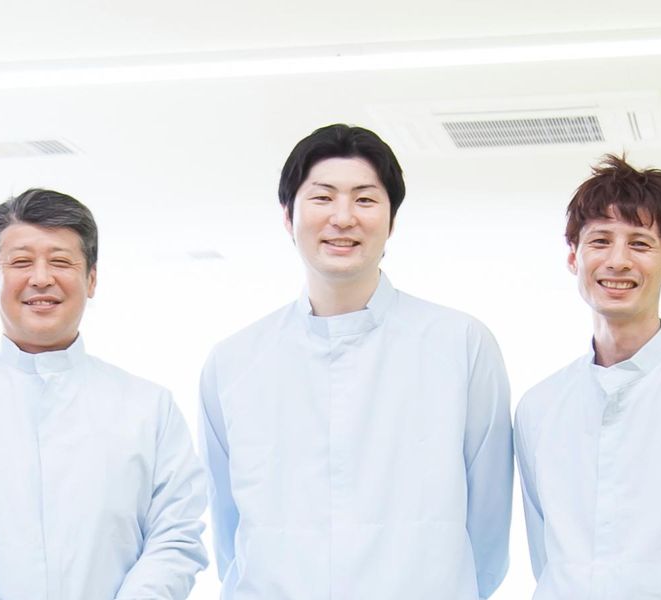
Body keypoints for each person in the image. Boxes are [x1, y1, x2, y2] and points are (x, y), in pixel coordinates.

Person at [199, 124, 512, 600]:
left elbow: (488, 527)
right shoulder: (235, 362)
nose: (343, 218)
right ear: (288, 216)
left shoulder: (460, 344)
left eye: (365, 199)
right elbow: (229, 531)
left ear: (392, 220)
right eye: (322, 198)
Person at [0, 189, 208, 599]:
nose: (41, 278)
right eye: (21, 262)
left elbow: (175, 535)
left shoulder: (149, 408)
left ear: (91, 279)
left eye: (60, 261)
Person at [515, 155, 661, 599]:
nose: (617, 261)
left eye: (640, 244)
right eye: (600, 240)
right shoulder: (540, 406)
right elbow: (545, 555)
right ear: (573, 257)